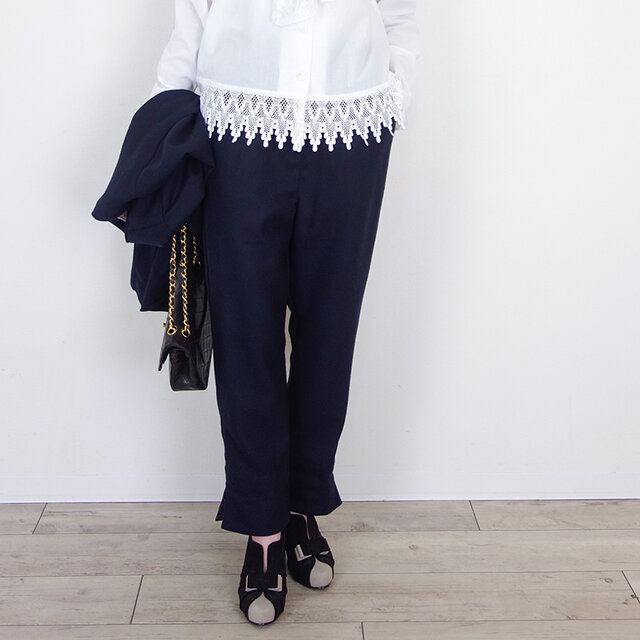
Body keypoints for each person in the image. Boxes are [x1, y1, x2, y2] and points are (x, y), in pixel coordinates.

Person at [150, 0, 421, 625]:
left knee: (331, 333)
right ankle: (262, 527)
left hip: (351, 126)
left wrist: (396, 95)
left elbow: (401, 14)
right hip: (236, 126)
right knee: (246, 333)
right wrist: (165, 122)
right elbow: (191, 15)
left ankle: (302, 504)